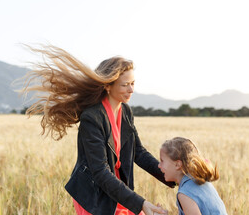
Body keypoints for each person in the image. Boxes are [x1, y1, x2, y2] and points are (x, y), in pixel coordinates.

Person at [22, 45, 175, 215]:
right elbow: (100, 171)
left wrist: (174, 176)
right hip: (94, 195)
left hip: (118, 189)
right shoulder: (92, 118)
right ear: (108, 86)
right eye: (125, 85)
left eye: (133, 83)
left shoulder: (126, 111)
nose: (131, 90)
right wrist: (140, 203)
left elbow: (138, 152)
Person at [158, 137, 227, 215]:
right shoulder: (199, 180)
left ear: (177, 164)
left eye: (162, 161)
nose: (159, 165)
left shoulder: (184, 194)